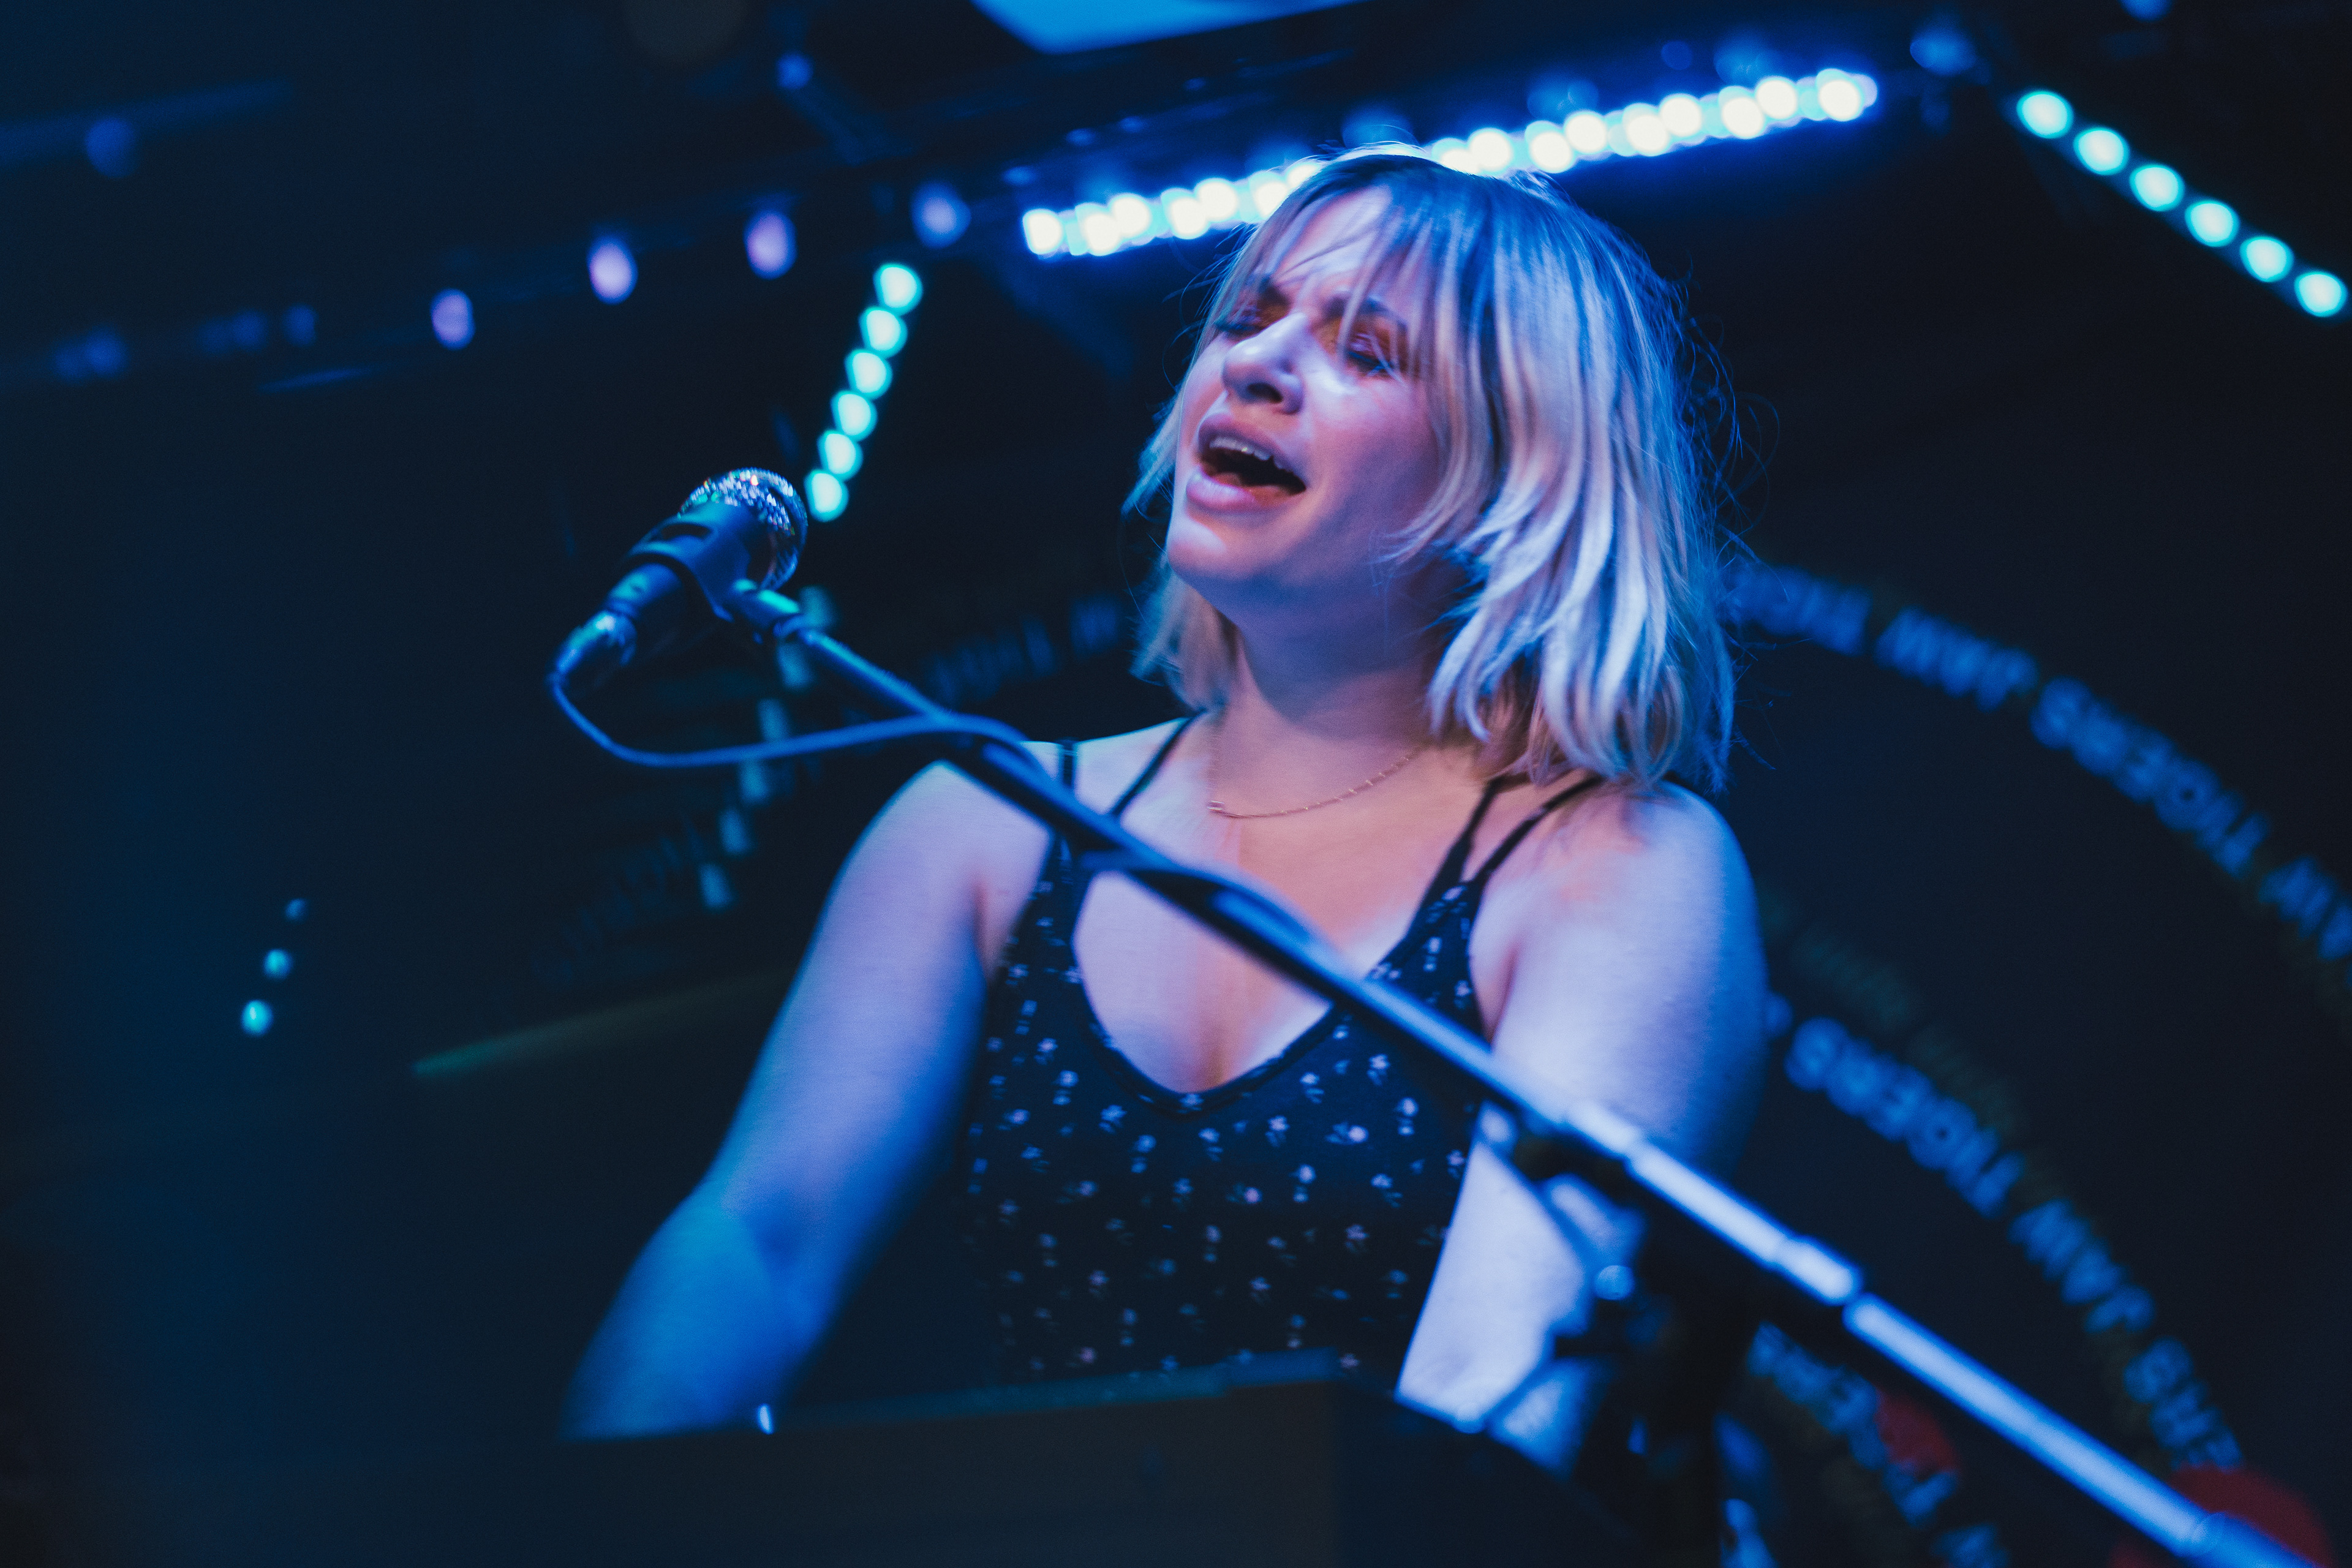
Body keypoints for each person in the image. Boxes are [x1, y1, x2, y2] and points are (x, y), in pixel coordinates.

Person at [561, 153, 1766, 1459]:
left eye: (1367, 351)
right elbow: (760, 1238)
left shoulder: (1611, 862)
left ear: (1512, 483)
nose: (1259, 364)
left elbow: (1495, 1395)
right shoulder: (991, 827)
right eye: (1250, 317)